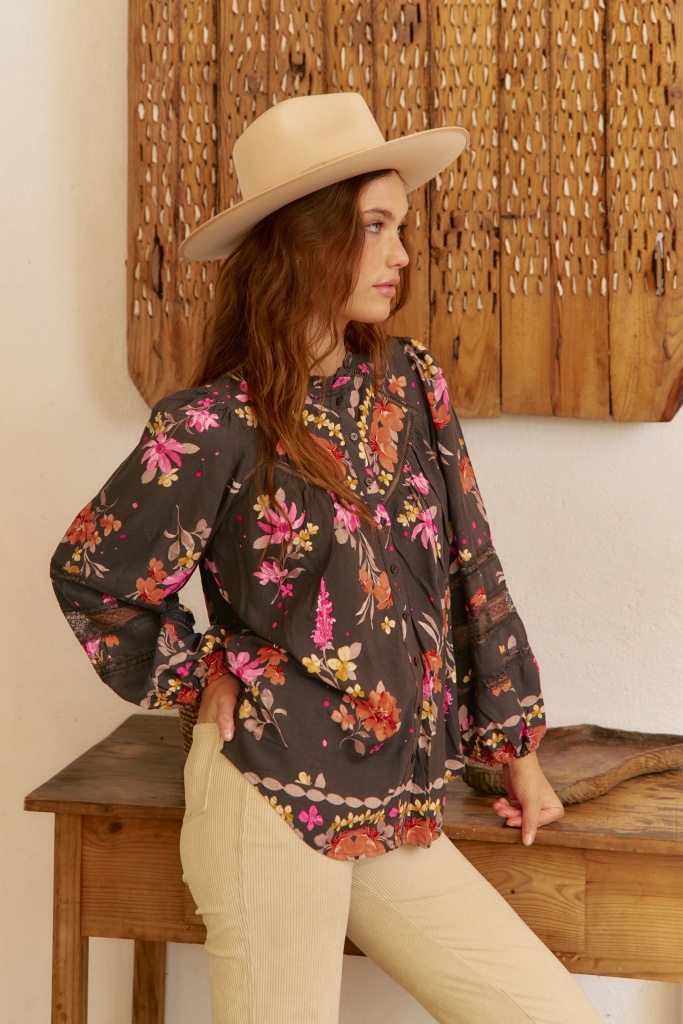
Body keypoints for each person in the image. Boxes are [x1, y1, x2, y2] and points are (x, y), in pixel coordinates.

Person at [50, 92, 602, 1024]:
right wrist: (202, 672)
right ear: (305, 242)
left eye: (400, 227)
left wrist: (514, 749)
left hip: (396, 798)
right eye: (375, 227)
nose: (401, 253)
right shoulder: (211, 426)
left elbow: (472, 568)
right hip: (268, 794)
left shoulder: (410, 384)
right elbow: (92, 575)